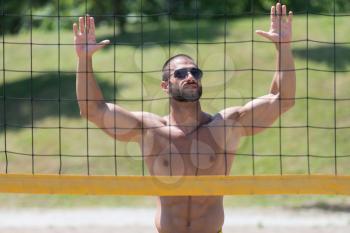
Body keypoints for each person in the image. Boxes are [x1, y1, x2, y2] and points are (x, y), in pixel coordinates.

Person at [74, 2, 295, 233]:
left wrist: (283, 46)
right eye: (180, 73)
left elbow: (282, 99)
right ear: (164, 85)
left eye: (195, 72)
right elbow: (93, 110)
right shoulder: (149, 129)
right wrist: (84, 59)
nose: (190, 76)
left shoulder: (227, 125)